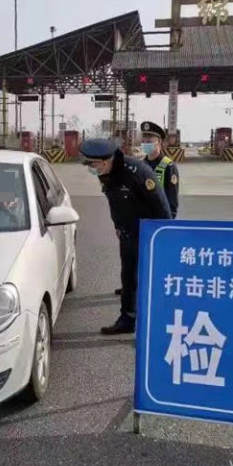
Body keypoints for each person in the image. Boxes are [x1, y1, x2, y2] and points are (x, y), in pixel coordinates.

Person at [79, 137, 171, 334]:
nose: (90, 169)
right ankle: (128, 319)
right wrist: (119, 226)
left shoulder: (137, 173)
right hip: (128, 232)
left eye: (92, 164)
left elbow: (161, 207)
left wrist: (163, 237)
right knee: (128, 276)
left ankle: (160, 321)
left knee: (152, 277)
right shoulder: (106, 173)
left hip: (148, 233)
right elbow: (116, 202)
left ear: (104, 162)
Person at [114, 121, 180, 296]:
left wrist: (166, 226)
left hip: (156, 222)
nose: (146, 143)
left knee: (154, 258)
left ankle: (153, 288)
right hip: (138, 222)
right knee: (134, 258)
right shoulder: (139, 166)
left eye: (150, 140)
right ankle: (131, 286)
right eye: (144, 140)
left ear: (159, 142)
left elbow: (172, 201)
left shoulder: (168, 166)